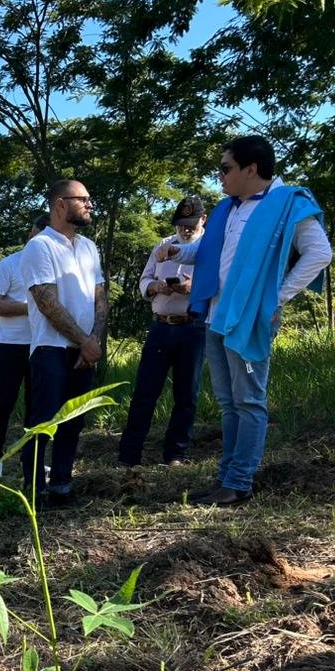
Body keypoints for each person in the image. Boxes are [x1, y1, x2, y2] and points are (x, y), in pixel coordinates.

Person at [158, 135, 332, 506]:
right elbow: (210, 252)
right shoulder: (227, 208)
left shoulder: (289, 203)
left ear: (251, 169)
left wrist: (276, 298)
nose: (220, 175)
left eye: (226, 168)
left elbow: (320, 253)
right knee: (228, 402)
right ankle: (226, 478)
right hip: (215, 314)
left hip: (252, 317)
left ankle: (239, 483)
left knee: (249, 401)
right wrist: (179, 251)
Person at [19, 179, 108, 507]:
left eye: (89, 199)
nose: (89, 205)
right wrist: (84, 341)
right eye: (82, 199)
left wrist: (93, 341)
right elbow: (47, 302)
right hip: (51, 350)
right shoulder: (40, 247)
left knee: (74, 422)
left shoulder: (88, 247)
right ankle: (34, 492)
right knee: (43, 422)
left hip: (84, 350)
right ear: (59, 204)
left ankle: (61, 485)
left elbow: (100, 297)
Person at [116, 196, 208, 470]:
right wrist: (156, 287)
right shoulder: (162, 246)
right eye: (181, 224)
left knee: (186, 395)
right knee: (145, 392)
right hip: (160, 326)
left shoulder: (209, 248)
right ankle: (129, 455)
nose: (185, 230)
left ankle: (175, 454)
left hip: (193, 327)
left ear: (203, 220)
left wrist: (194, 288)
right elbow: (144, 280)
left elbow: (219, 283)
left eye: (191, 224)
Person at [0, 216, 48, 479]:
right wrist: (30, 307)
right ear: (30, 234)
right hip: (11, 346)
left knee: (38, 406)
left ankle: (31, 461)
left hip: (43, 345)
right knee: (4, 402)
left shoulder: (51, 269)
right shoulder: (10, 264)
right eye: (36, 235)